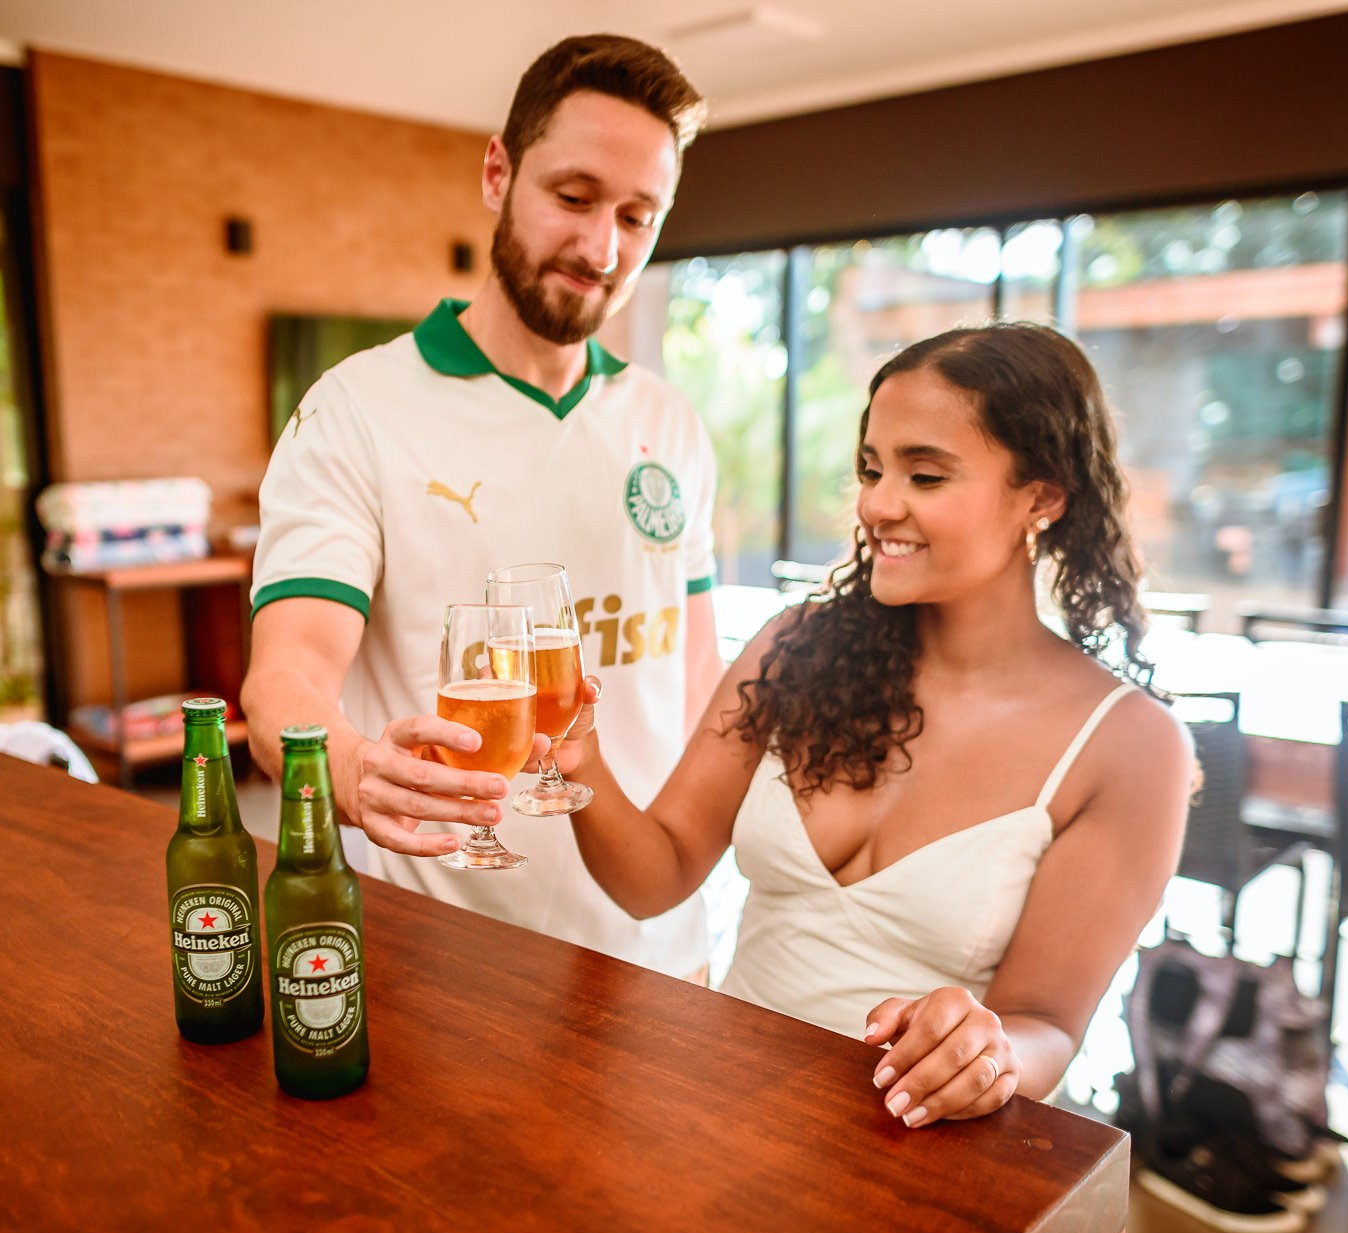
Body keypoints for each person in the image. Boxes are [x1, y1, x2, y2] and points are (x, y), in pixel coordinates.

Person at [556, 323, 1194, 1123]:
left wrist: (988, 1048)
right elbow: (656, 876)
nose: (876, 504)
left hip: (911, 1163)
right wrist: (578, 760)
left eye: (924, 475)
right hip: (714, 1118)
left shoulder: (1130, 748)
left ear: (1042, 497)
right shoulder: (797, 646)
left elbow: (1049, 1028)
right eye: (871, 468)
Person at [241, 35, 724, 979]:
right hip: (448, 966)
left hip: (662, 961)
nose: (602, 249)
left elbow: (696, 680)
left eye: (639, 215)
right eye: (574, 197)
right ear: (498, 172)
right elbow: (285, 675)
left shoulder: (670, 424)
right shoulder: (358, 410)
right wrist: (345, 766)